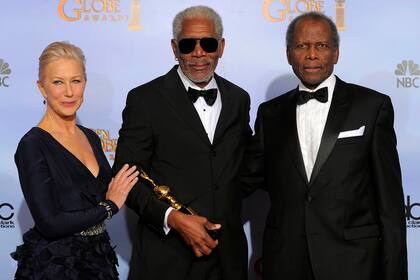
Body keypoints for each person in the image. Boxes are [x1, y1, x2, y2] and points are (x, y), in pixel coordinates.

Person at [241, 12, 408, 280]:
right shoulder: (269, 113)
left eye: (321, 46)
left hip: (354, 263)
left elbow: (390, 204)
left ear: (336, 53)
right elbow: (247, 177)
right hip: (285, 262)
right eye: (301, 46)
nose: (311, 54)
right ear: (288, 54)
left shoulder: (372, 107)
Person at [113, 5, 252, 280]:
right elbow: (126, 177)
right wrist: (173, 218)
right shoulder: (145, 99)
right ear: (175, 48)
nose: (199, 53)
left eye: (208, 43)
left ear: (221, 47)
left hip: (227, 259)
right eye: (188, 45)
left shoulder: (239, 99)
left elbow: (246, 166)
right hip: (167, 258)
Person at [11, 41, 139, 279]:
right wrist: (109, 207)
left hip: (99, 258)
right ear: (41, 88)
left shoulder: (90, 137)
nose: (69, 92)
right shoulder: (32, 145)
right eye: (58, 82)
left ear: (85, 83)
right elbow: (50, 223)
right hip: (56, 266)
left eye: (76, 81)